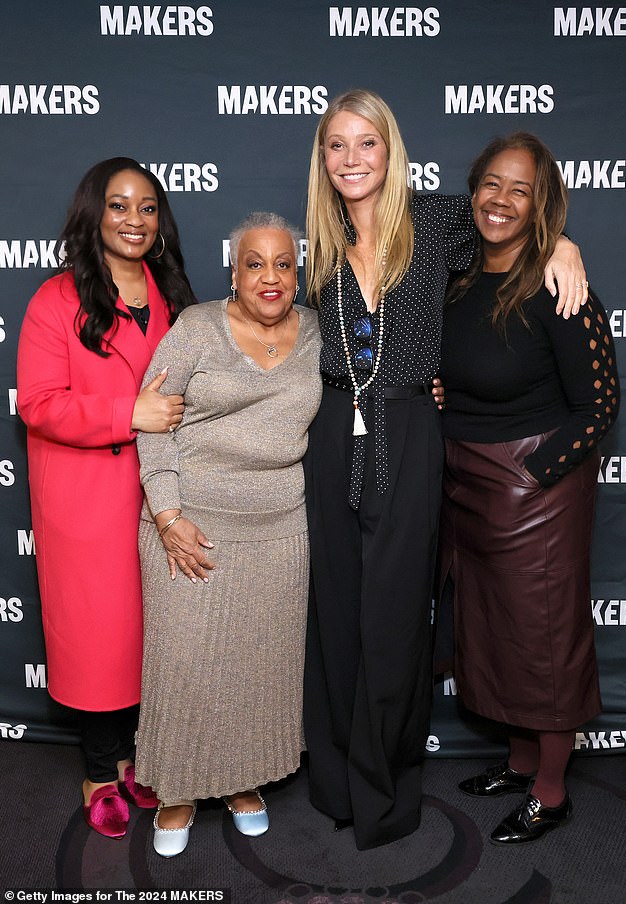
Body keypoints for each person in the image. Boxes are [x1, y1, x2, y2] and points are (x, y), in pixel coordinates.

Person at [301, 89, 589, 850]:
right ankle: (334, 780)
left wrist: (564, 244)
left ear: (390, 151)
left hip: (408, 430)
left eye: (367, 143)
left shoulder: (434, 222)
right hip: (334, 434)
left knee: (396, 619)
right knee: (334, 612)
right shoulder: (320, 242)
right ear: (323, 159)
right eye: (338, 145)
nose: (353, 159)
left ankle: (386, 789)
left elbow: (515, 221)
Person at [439, 132, 619, 844]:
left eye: (521, 190)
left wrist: (535, 476)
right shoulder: (456, 273)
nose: (501, 201)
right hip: (463, 481)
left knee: (543, 642)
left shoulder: (560, 284)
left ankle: (551, 790)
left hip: (535, 490)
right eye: (490, 184)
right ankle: (518, 762)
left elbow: (599, 405)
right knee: (490, 633)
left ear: (543, 203)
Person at [16, 157, 197, 838]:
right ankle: (100, 768)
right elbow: (38, 404)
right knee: (99, 639)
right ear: (94, 213)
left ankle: (144, 758)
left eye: (148, 207)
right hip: (86, 500)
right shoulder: (56, 299)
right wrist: (131, 412)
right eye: (119, 206)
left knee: (157, 635)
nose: (134, 220)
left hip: (162, 498)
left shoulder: (173, 292)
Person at [134, 212, 323, 857]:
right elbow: (151, 421)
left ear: (298, 274)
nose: (270, 278)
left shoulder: (321, 333)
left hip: (277, 530)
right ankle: (178, 792)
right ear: (232, 272)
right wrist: (166, 517)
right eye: (255, 264)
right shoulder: (196, 329)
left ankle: (245, 784)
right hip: (192, 525)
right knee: (186, 668)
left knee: (259, 667)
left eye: (283, 265)